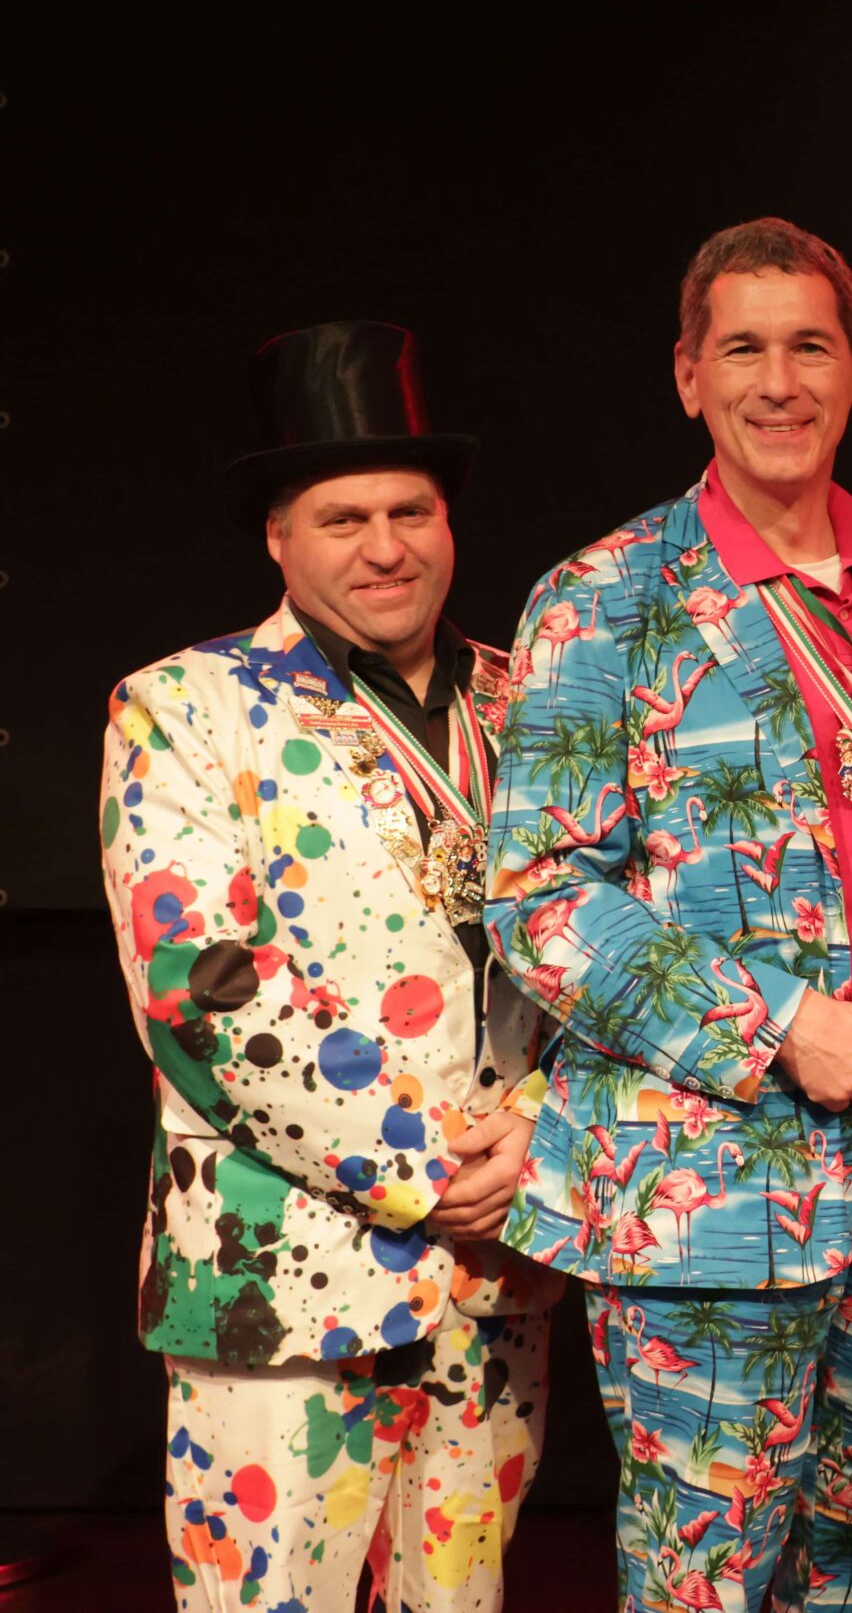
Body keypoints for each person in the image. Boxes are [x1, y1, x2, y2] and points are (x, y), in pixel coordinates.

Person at [485, 218, 852, 1610]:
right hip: (710, 1190)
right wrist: (779, 1026)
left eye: (810, 346)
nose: (779, 382)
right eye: (743, 348)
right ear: (688, 376)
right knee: (704, 1586)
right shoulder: (606, 599)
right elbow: (539, 897)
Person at [100, 322, 556, 1610]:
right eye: (343, 518)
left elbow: (598, 953)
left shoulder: (536, 702)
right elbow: (198, 991)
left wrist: (535, 1137)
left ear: (449, 521)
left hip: (499, 1267)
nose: (385, 546)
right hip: (280, 1278)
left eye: (411, 511)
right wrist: (428, 1170)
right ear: (278, 538)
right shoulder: (183, 705)